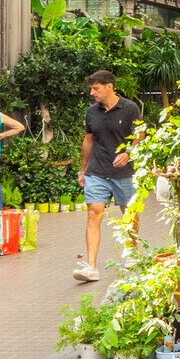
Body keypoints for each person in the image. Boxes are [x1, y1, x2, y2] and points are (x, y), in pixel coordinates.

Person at [74, 70, 141, 283]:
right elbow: (88, 141)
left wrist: (129, 153)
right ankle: (91, 266)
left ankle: (131, 252)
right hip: (97, 171)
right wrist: (83, 169)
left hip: (123, 172)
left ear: (109, 86)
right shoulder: (91, 112)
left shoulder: (130, 108)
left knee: (129, 213)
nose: (92, 92)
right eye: (91, 88)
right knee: (94, 213)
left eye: (96, 88)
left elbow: (140, 135)